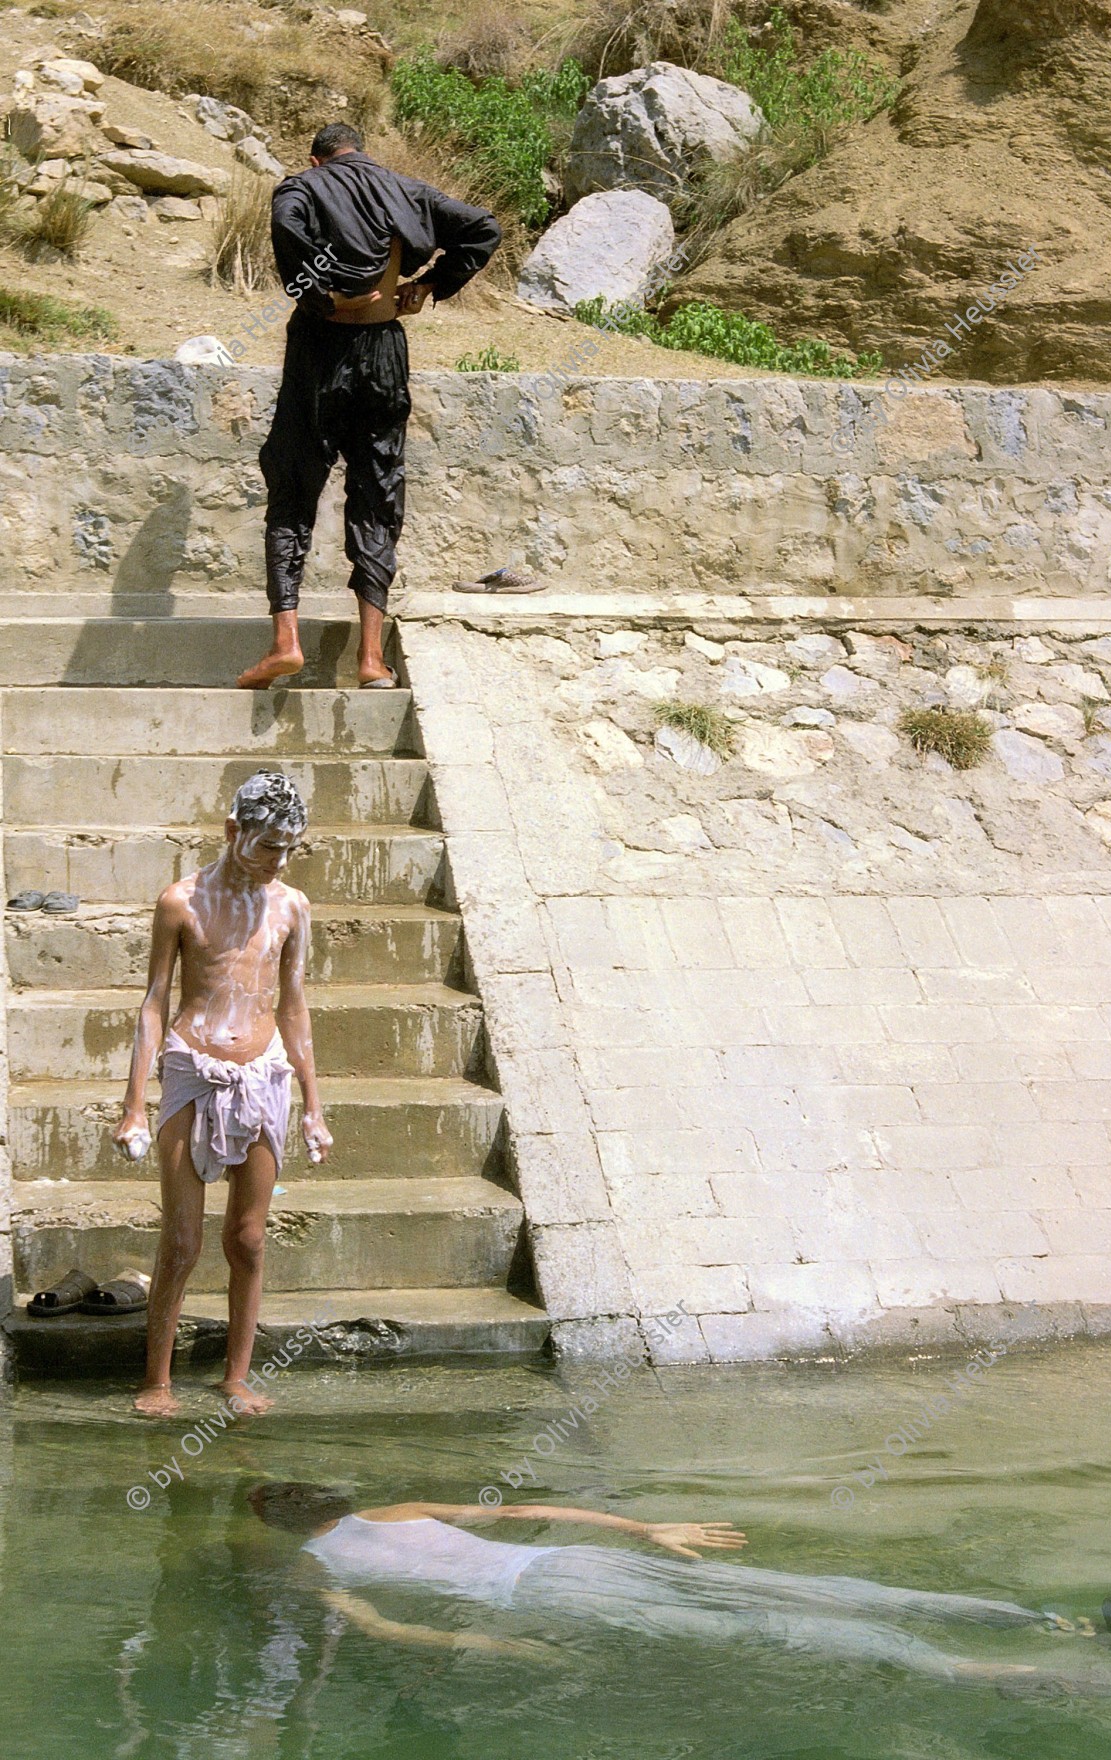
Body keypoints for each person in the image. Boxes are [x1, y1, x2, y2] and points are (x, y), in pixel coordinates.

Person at [248, 1483, 1111, 1688]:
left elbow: (399, 1633)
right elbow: (518, 1513)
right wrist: (643, 1527)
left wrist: (505, 1645)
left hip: (546, 1598)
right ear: (329, 1500)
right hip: (568, 1564)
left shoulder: (309, 1570)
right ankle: (1050, 1622)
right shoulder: (396, 1509)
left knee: (764, 1635)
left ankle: (992, 1674)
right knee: (792, 1590)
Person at [236, 121, 503, 692]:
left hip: (319, 350)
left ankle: (285, 643)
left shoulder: (301, 188)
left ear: (317, 159)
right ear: (362, 152)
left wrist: (316, 292)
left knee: (292, 486)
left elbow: (285, 225)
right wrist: (429, 285)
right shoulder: (406, 190)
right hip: (383, 351)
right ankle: (371, 660)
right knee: (378, 492)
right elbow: (483, 227)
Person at [113, 774, 332, 1418]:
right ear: (234, 831)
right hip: (191, 1067)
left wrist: (314, 1107)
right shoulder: (179, 902)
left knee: (249, 1237)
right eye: (268, 846)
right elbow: (154, 1001)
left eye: (290, 849)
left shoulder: (291, 906)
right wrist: (132, 1105)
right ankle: (156, 1382)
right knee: (182, 1241)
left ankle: (235, 1377)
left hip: (264, 1073)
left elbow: (294, 1007)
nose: (280, 861)